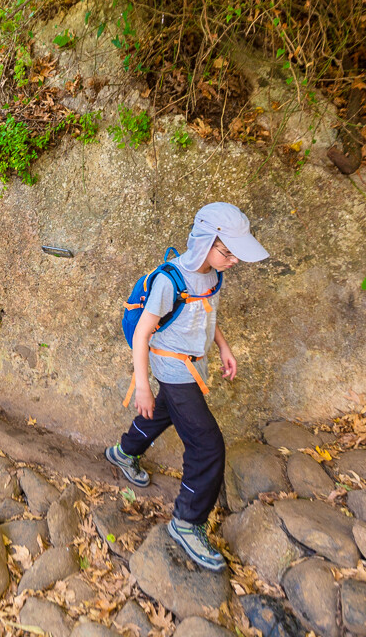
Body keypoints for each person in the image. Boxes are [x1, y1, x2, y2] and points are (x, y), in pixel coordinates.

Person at [105, 203, 268, 572]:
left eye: (235, 254)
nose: (234, 261)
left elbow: (207, 312)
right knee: (207, 445)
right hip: (172, 368)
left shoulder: (211, 275)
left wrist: (223, 347)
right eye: (228, 252)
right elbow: (144, 333)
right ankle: (187, 522)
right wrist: (142, 384)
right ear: (206, 242)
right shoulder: (169, 280)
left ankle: (123, 452)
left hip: (194, 364)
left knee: (164, 412)